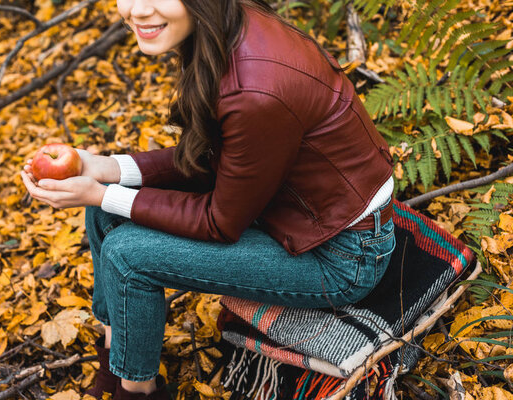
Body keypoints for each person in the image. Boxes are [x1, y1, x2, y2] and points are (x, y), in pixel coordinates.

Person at [20, 0, 396, 399]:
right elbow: (214, 159)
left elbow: (219, 222)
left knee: (126, 254)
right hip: (290, 210)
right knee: (102, 212)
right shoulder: (222, 27)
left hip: (340, 254)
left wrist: (101, 190)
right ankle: (116, 363)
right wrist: (107, 170)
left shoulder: (254, 88)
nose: (136, 10)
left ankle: (137, 391)